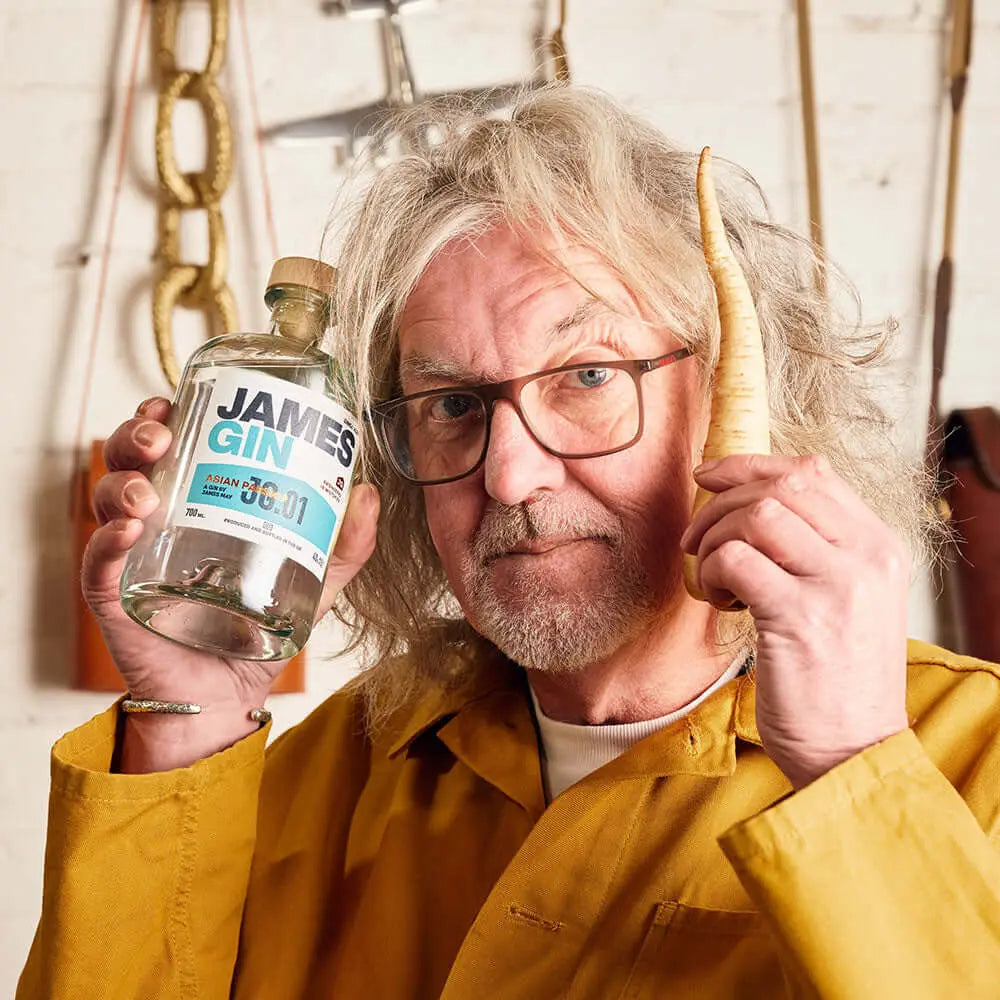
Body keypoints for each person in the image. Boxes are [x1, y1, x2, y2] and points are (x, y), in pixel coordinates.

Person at [18, 87, 1000, 999]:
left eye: (586, 377)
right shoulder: (339, 773)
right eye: (451, 403)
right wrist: (185, 715)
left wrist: (848, 768)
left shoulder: (973, 759)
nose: (508, 476)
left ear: (738, 395)